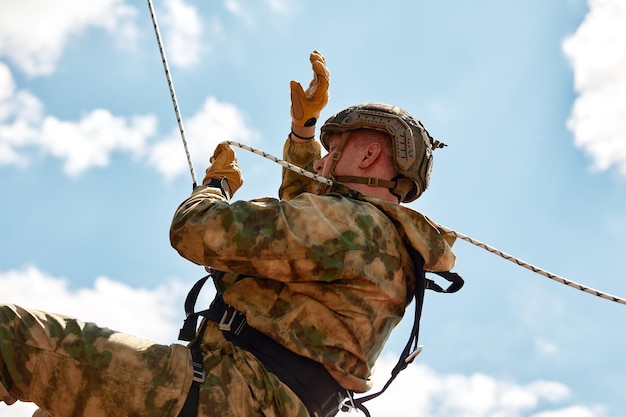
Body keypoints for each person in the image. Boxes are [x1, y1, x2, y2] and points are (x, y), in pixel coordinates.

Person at [0, 50, 456, 417]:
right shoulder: (382, 243)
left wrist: (213, 189)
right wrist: (304, 133)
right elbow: (307, 225)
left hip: (229, 392)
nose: (321, 160)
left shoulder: (349, 225)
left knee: (13, 340)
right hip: (257, 398)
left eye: (334, 148)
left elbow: (196, 231)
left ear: (370, 153)